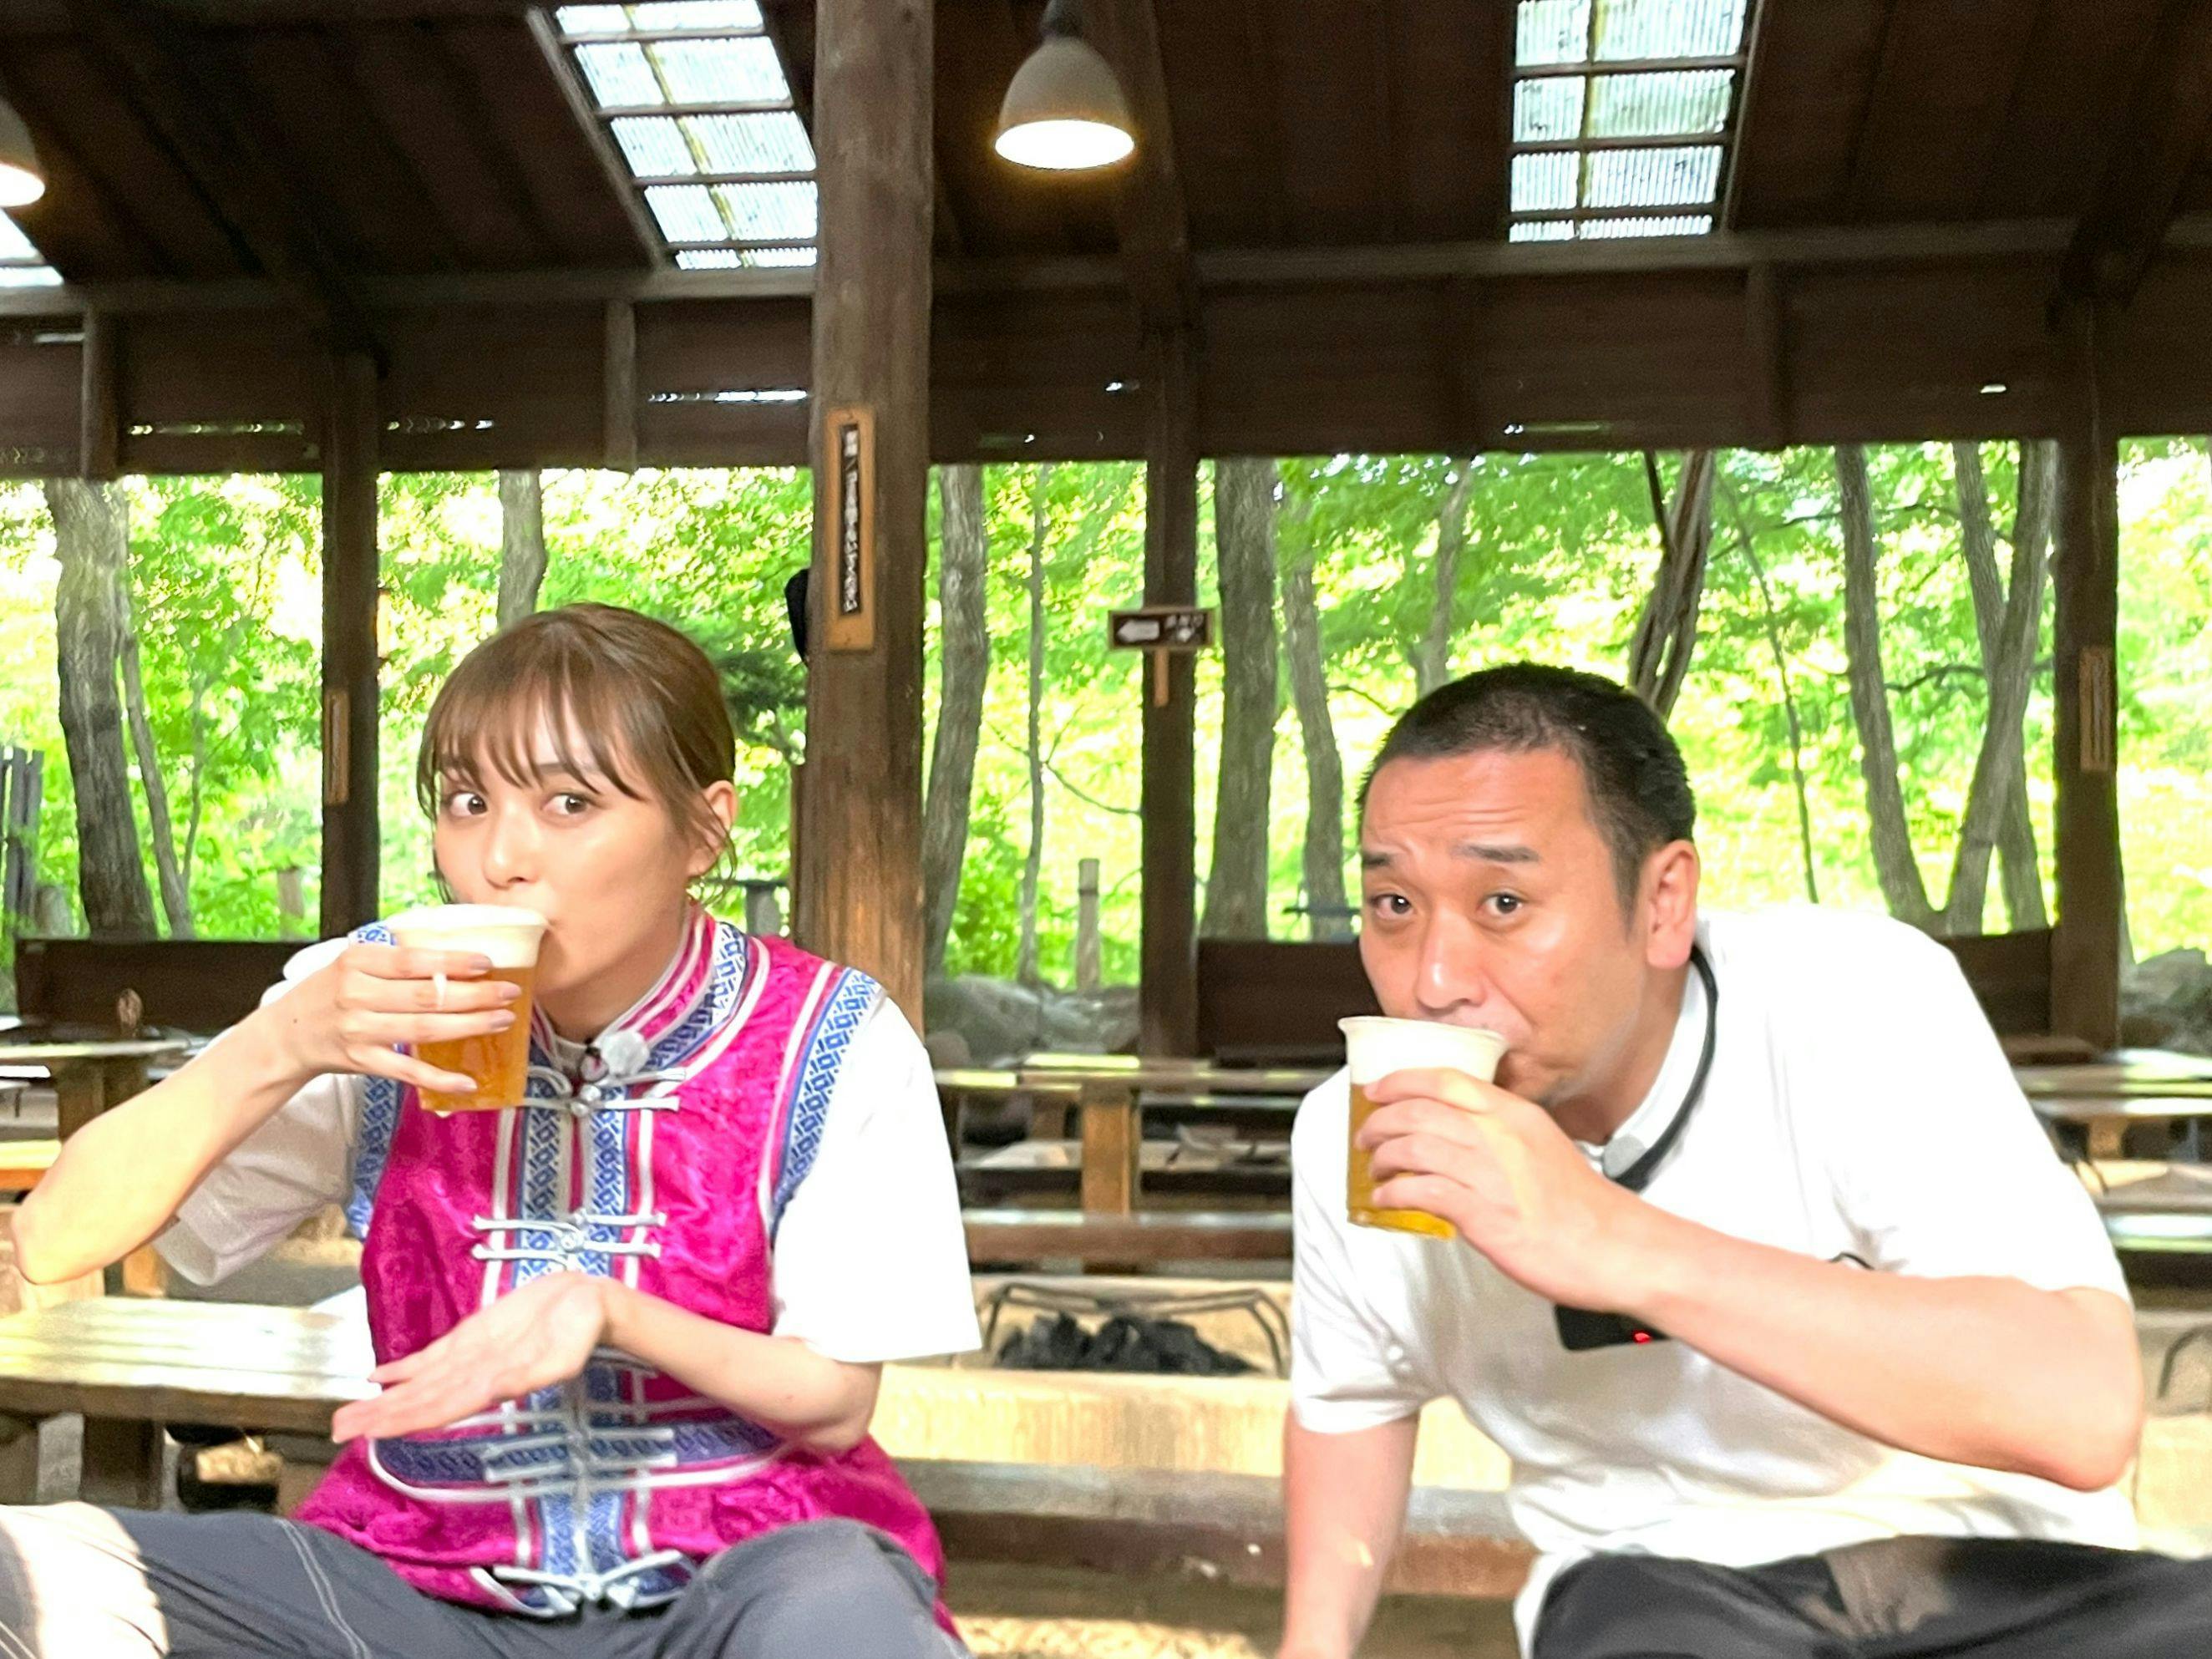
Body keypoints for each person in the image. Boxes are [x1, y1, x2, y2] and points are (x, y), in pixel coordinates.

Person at [7, 603, 979, 1659]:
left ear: (703, 831)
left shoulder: (829, 1037)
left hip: (742, 1575)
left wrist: (610, 1310)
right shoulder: (375, 998)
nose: (500, 858)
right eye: (468, 802)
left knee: (844, 1608)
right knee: (33, 1572)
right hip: (418, 1580)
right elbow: (56, 1242)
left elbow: (833, 1402)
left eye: (569, 803)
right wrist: (280, 1041)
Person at [1279, 662, 2212, 1659]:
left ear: (1661, 902)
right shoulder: (1356, 1129)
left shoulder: (1851, 1000)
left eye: (1502, 901)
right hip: (1661, 1588)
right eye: (1392, 904)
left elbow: (2079, 1413)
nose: (1432, 979)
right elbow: (1354, 1401)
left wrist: (1606, 1239)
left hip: (2003, 1568)